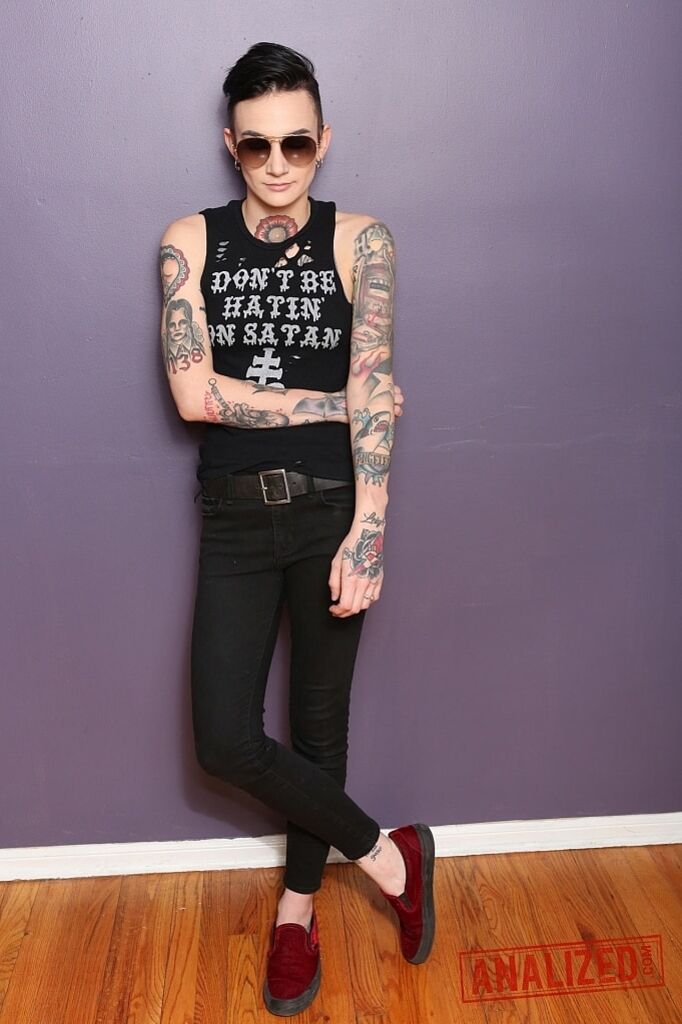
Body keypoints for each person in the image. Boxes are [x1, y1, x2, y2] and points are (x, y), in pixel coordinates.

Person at [158, 41, 435, 1016]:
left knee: (320, 726)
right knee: (224, 739)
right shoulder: (189, 241)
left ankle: (297, 910)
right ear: (230, 145)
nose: (278, 165)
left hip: (330, 510)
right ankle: (388, 855)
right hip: (234, 517)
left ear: (324, 140)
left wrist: (370, 528)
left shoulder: (362, 241)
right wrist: (337, 402)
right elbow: (194, 396)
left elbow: (375, 381)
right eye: (257, 145)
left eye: (297, 144)